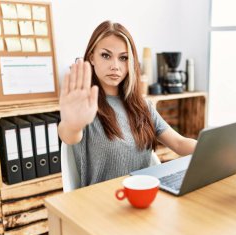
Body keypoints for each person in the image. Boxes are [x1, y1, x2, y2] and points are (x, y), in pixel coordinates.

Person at [58, 20, 197, 187]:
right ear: (91, 58)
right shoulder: (84, 105)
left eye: (123, 58)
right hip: (101, 204)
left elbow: (179, 143)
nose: (115, 66)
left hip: (142, 198)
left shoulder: (142, 105)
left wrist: (214, 150)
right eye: (106, 55)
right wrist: (72, 125)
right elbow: (69, 135)